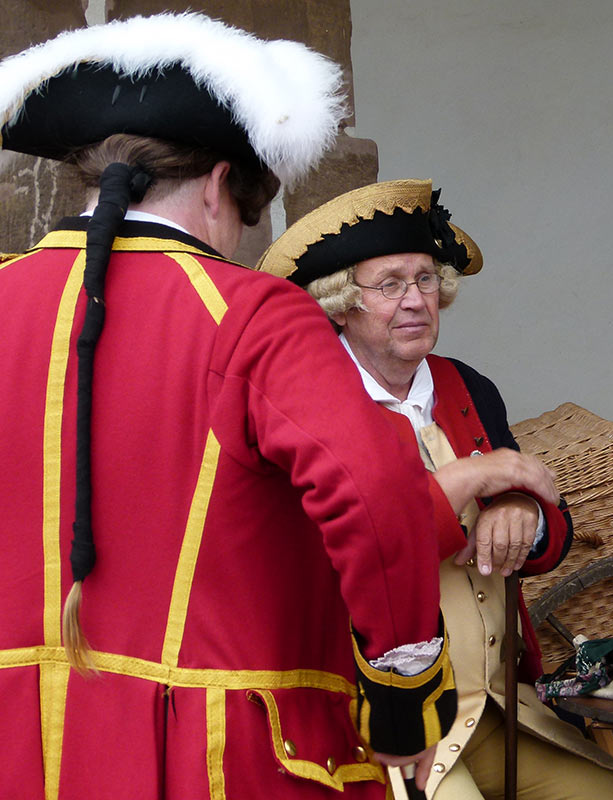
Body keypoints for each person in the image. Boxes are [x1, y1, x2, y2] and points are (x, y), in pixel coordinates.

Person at [0, 14, 562, 797]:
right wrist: (403, 702)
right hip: (223, 757)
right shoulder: (254, 312)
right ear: (219, 185)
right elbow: (376, 501)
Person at [257, 178, 613, 800]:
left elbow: (556, 532)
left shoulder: (468, 386)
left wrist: (522, 511)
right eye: (390, 285)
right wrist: (472, 479)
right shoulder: (311, 403)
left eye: (425, 279)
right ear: (340, 303)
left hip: (494, 706)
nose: (416, 301)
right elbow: (350, 548)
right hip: (381, 717)